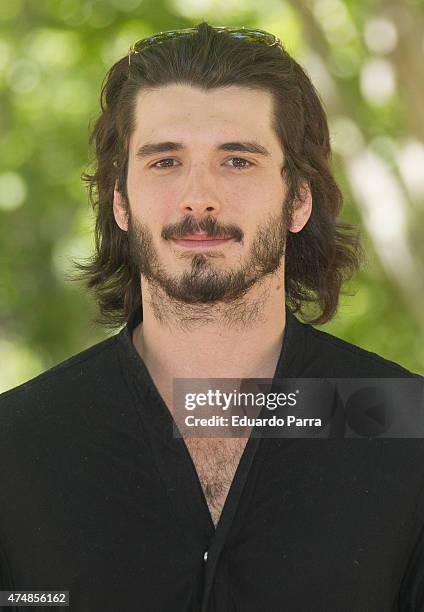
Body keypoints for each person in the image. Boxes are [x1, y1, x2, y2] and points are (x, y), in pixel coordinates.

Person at [0, 22, 423, 612]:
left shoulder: (405, 427)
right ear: (120, 201)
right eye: (165, 161)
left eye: (238, 162)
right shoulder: (17, 445)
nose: (199, 198)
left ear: (298, 199)